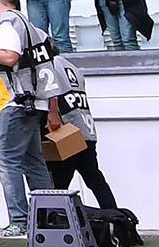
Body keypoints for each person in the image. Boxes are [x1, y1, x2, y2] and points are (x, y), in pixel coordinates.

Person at [0, 0, 54, 240]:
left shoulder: (7, 24)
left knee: (4, 157)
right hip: (35, 100)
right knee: (33, 161)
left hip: (14, 102)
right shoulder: (29, 25)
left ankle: (20, 220)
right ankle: (48, 216)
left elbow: (10, 57)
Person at [42, 55, 117, 211]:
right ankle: (116, 219)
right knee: (96, 181)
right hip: (86, 130)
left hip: (67, 133)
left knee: (57, 187)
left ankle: (56, 223)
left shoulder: (49, 65)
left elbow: (51, 92)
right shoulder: (72, 67)